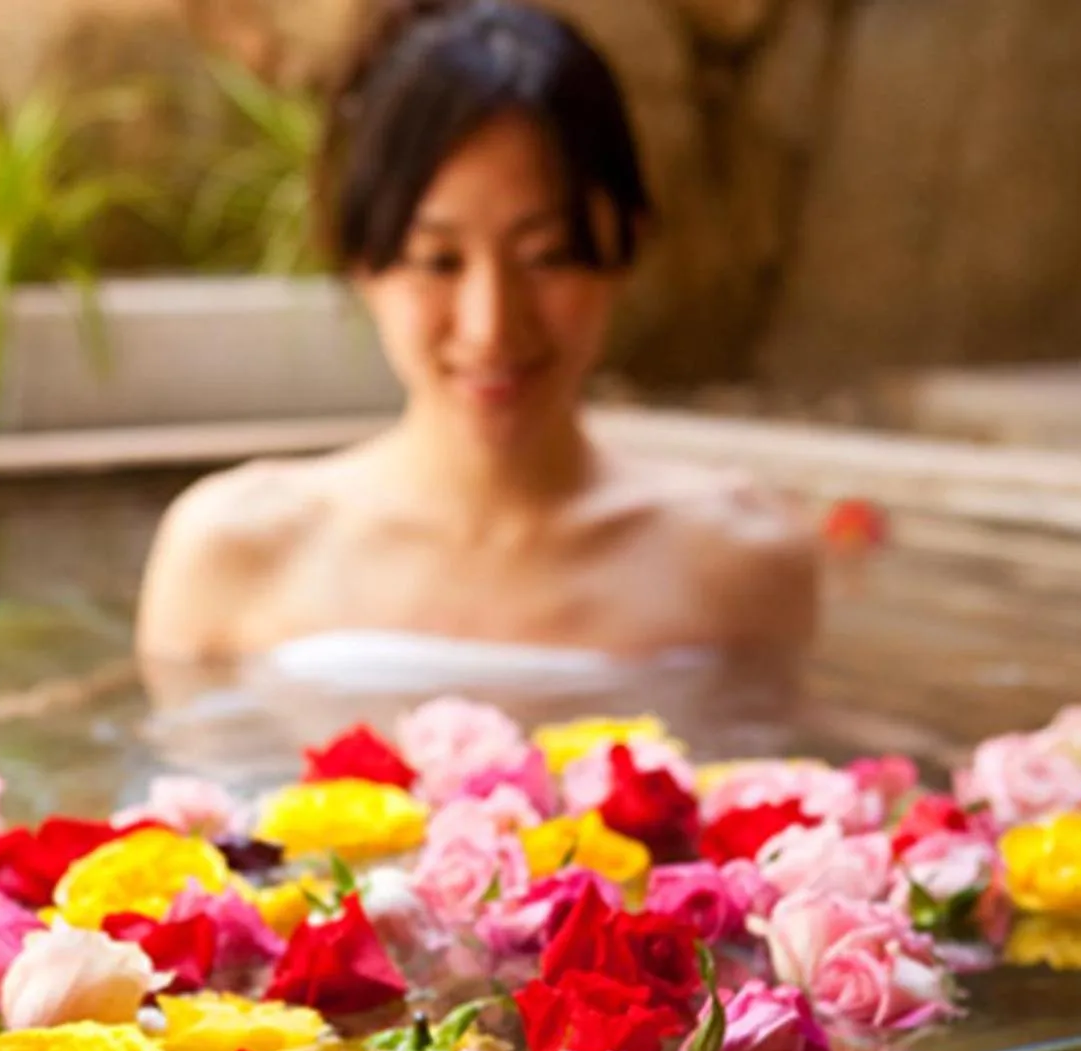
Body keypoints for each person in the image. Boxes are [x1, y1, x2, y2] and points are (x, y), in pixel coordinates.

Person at [135, 0, 818, 666]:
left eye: (545, 256)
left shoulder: (739, 563)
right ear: (362, 261)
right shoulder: (237, 552)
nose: (490, 328)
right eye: (439, 261)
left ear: (626, 244)